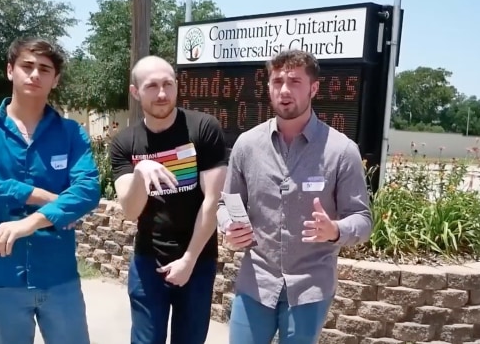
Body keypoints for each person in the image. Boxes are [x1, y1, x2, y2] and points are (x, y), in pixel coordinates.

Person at [0, 37, 100, 344]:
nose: (35, 74)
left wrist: (30, 222)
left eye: (44, 69)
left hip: (59, 278)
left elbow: (87, 189)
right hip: (1, 277)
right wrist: (34, 193)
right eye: (27, 66)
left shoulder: (71, 133)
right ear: (10, 71)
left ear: (54, 79)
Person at [217, 49, 373, 344]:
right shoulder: (247, 145)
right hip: (255, 283)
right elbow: (226, 204)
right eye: (277, 81)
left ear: (314, 88)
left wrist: (335, 230)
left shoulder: (341, 151)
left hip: (310, 288)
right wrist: (228, 226)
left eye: (294, 81)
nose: (284, 90)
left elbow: (363, 220)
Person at [109, 55, 228, 344]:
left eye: (168, 84)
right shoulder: (125, 142)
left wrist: (188, 259)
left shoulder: (203, 128)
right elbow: (129, 210)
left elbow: (212, 201)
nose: (162, 94)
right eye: (152, 86)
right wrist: (141, 173)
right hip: (148, 260)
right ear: (136, 92)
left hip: (198, 260)